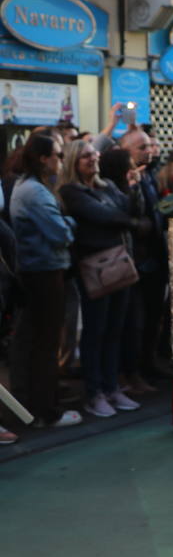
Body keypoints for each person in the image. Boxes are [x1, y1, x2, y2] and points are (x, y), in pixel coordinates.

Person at [58, 141, 144, 418]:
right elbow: (104, 216)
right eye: (85, 156)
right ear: (74, 161)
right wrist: (129, 223)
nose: (92, 159)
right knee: (96, 330)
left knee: (115, 329)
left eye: (94, 154)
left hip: (119, 262)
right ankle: (93, 392)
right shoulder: (71, 191)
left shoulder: (106, 185)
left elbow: (129, 209)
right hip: (94, 266)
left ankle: (111, 386)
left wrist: (133, 187)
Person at [8, 133, 80, 430]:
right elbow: (61, 234)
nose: (61, 161)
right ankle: (45, 410)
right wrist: (71, 223)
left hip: (39, 271)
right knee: (45, 343)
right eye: (58, 155)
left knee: (37, 342)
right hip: (43, 273)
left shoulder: (30, 187)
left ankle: (35, 407)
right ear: (42, 157)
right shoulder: (35, 192)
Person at [113, 129, 166, 395]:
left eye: (149, 146)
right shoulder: (121, 181)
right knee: (134, 321)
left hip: (154, 256)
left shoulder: (150, 175)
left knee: (152, 315)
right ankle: (129, 373)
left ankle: (148, 363)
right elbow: (125, 214)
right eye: (141, 148)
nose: (149, 151)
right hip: (134, 258)